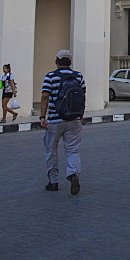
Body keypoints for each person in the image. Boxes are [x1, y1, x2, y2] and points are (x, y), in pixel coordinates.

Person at [40, 50, 85, 194]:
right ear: (70, 62)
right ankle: (73, 173)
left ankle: (53, 181)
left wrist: (42, 116)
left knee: (51, 150)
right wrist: (81, 115)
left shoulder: (51, 76)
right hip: (74, 119)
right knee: (72, 149)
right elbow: (82, 96)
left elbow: (45, 96)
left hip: (55, 120)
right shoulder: (78, 76)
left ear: (57, 61)